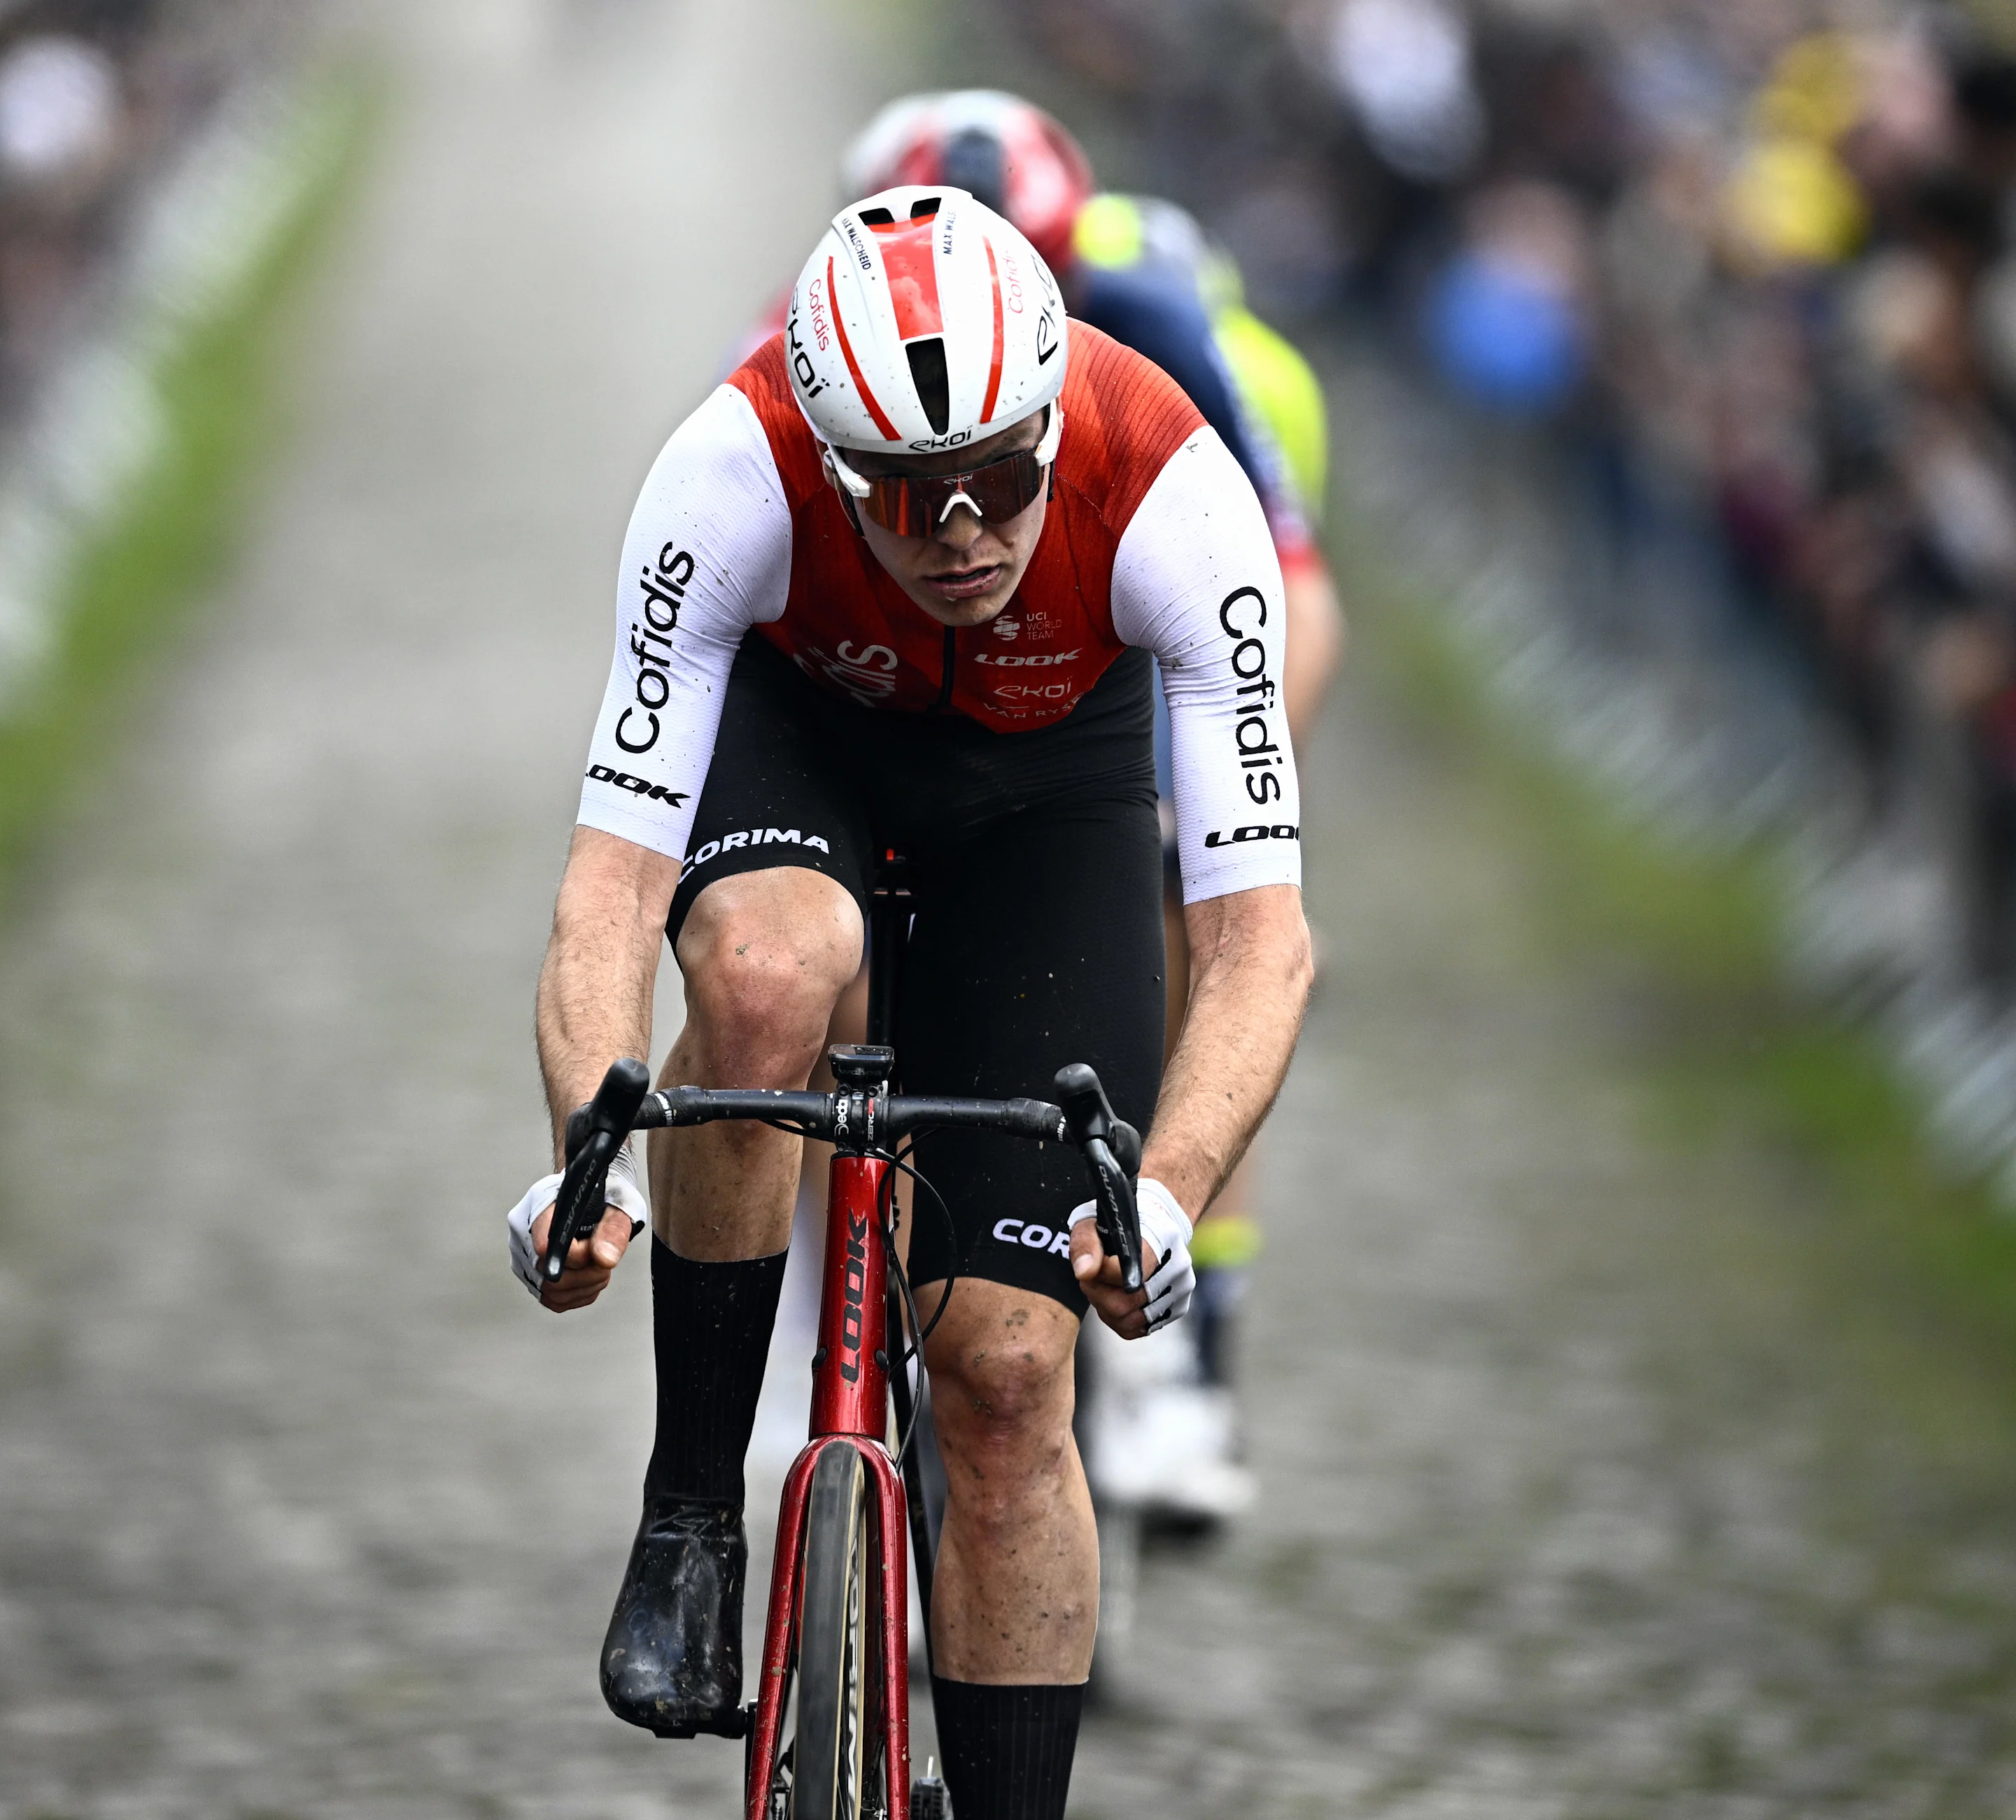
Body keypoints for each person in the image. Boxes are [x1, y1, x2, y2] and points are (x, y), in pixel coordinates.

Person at [507, 190, 1313, 1819]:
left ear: (1049, 416)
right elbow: (608, 883)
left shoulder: (1172, 489)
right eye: (905, 495)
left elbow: (1259, 943)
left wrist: (1168, 1192)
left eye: (999, 481)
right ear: (824, 457)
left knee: (1012, 1377)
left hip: (1050, 794)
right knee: (760, 973)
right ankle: (690, 1513)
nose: (960, 531)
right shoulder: (727, 469)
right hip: (806, 737)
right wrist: (584, 1156)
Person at [826, 92, 1346, 1523]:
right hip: (908, 705)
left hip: (1110, 697)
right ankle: (827, 1316)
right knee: (815, 965)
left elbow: (1297, 598)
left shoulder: (1159, 327)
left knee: (1217, 939)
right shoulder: (834, 326)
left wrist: (1221, 796)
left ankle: (1192, 1368)